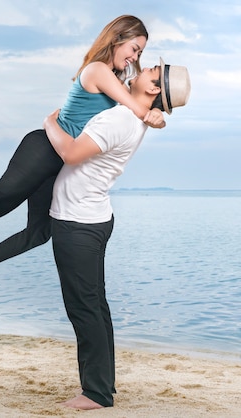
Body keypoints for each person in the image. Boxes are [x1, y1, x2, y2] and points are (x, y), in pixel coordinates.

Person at [0, 15, 166, 296]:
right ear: (116, 40)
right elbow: (134, 105)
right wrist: (152, 115)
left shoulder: (117, 78)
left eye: (140, 53)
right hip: (44, 148)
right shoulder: (97, 70)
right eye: (134, 49)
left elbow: (135, 102)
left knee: (40, 233)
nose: (135, 57)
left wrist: (154, 108)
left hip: (59, 157)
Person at [42, 58, 191, 410]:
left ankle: (95, 393)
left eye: (151, 71)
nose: (142, 70)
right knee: (96, 306)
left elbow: (71, 152)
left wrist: (50, 122)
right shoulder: (132, 114)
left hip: (77, 221)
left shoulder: (122, 118)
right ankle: (102, 385)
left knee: (84, 309)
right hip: (93, 218)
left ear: (153, 90)